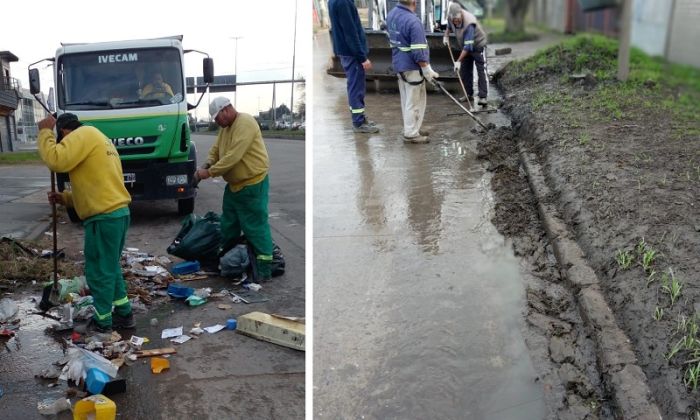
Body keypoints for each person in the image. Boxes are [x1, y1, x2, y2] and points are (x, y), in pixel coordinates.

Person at [37, 113, 134, 333]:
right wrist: (66, 198)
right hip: (115, 213)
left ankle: (103, 322)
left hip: (104, 217)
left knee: (98, 272)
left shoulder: (82, 134)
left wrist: (44, 132)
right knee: (110, 268)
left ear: (64, 133)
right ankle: (124, 313)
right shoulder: (97, 137)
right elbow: (97, 185)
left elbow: (56, 160)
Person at [194, 97, 273, 281]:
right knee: (229, 224)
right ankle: (226, 260)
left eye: (217, 117)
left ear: (226, 110)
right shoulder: (226, 128)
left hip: (252, 184)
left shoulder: (245, 122)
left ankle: (264, 268)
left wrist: (209, 172)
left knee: (255, 226)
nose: (216, 122)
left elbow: (233, 157)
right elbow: (217, 150)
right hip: (235, 186)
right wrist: (206, 164)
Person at [386, 0, 439, 144]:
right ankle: (411, 133)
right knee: (414, 102)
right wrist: (427, 69)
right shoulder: (413, 21)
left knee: (406, 100)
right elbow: (418, 51)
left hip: (399, 64)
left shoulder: (391, 15)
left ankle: (412, 128)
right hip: (412, 67)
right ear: (415, 2)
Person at [328, 0, 379, 134]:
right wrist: (362, 57)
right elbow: (350, 32)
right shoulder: (344, 2)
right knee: (356, 89)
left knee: (354, 87)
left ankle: (359, 118)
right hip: (352, 53)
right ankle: (358, 122)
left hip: (345, 51)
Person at [442, 2, 488, 108]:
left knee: (481, 70)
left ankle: (483, 97)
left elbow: (468, 47)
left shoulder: (469, 24)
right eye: (454, 21)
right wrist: (446, 35)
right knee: (465, 71)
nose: (456, 23)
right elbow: (449, 26)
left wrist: (458, 61)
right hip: (465, 45)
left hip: (477, 44)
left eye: (458, 20)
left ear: (461, 15)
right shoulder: (451, 17)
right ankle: (468, 94)